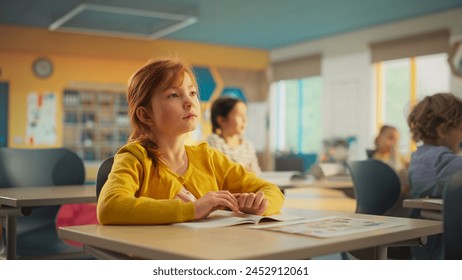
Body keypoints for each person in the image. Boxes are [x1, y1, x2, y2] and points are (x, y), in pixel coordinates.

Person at [97, 58, 284, 225]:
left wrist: (259, 205)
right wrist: (193, 210)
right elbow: (109, 207)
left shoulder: (208, 157)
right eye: (173, 95)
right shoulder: (134, 158)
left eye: (192, 93)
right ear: (145, 115)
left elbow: (271, 190)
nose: (190, 102)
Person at [407, 92, 462, 259]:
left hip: (427, 237)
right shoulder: (438, 159)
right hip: (438, 242)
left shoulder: (421, 156)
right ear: (443, 130)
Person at [206, 96, 262, 174]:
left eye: (245, 115)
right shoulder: (212, 143)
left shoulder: (248, 145)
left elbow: (256, 174)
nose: (244, 119)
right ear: (221, 120)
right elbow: (218, 174)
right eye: (239, 115)